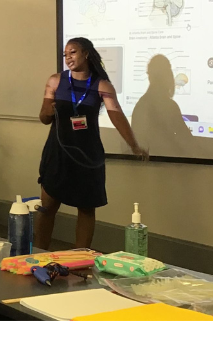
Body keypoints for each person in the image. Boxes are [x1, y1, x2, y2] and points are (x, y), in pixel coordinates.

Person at [34, 37, 147, 250]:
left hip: (88, 155)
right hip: (58, 152)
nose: (68, 58)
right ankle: (39, 254)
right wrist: (47, 111)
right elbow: (44, 117)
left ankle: (81, 260)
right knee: (48, 207)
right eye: (65, 54)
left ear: (86, 53)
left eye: (73, 52)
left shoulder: (102, 85)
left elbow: (117, 116)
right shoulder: (55, 81)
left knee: (86, 209)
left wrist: (134, 144)